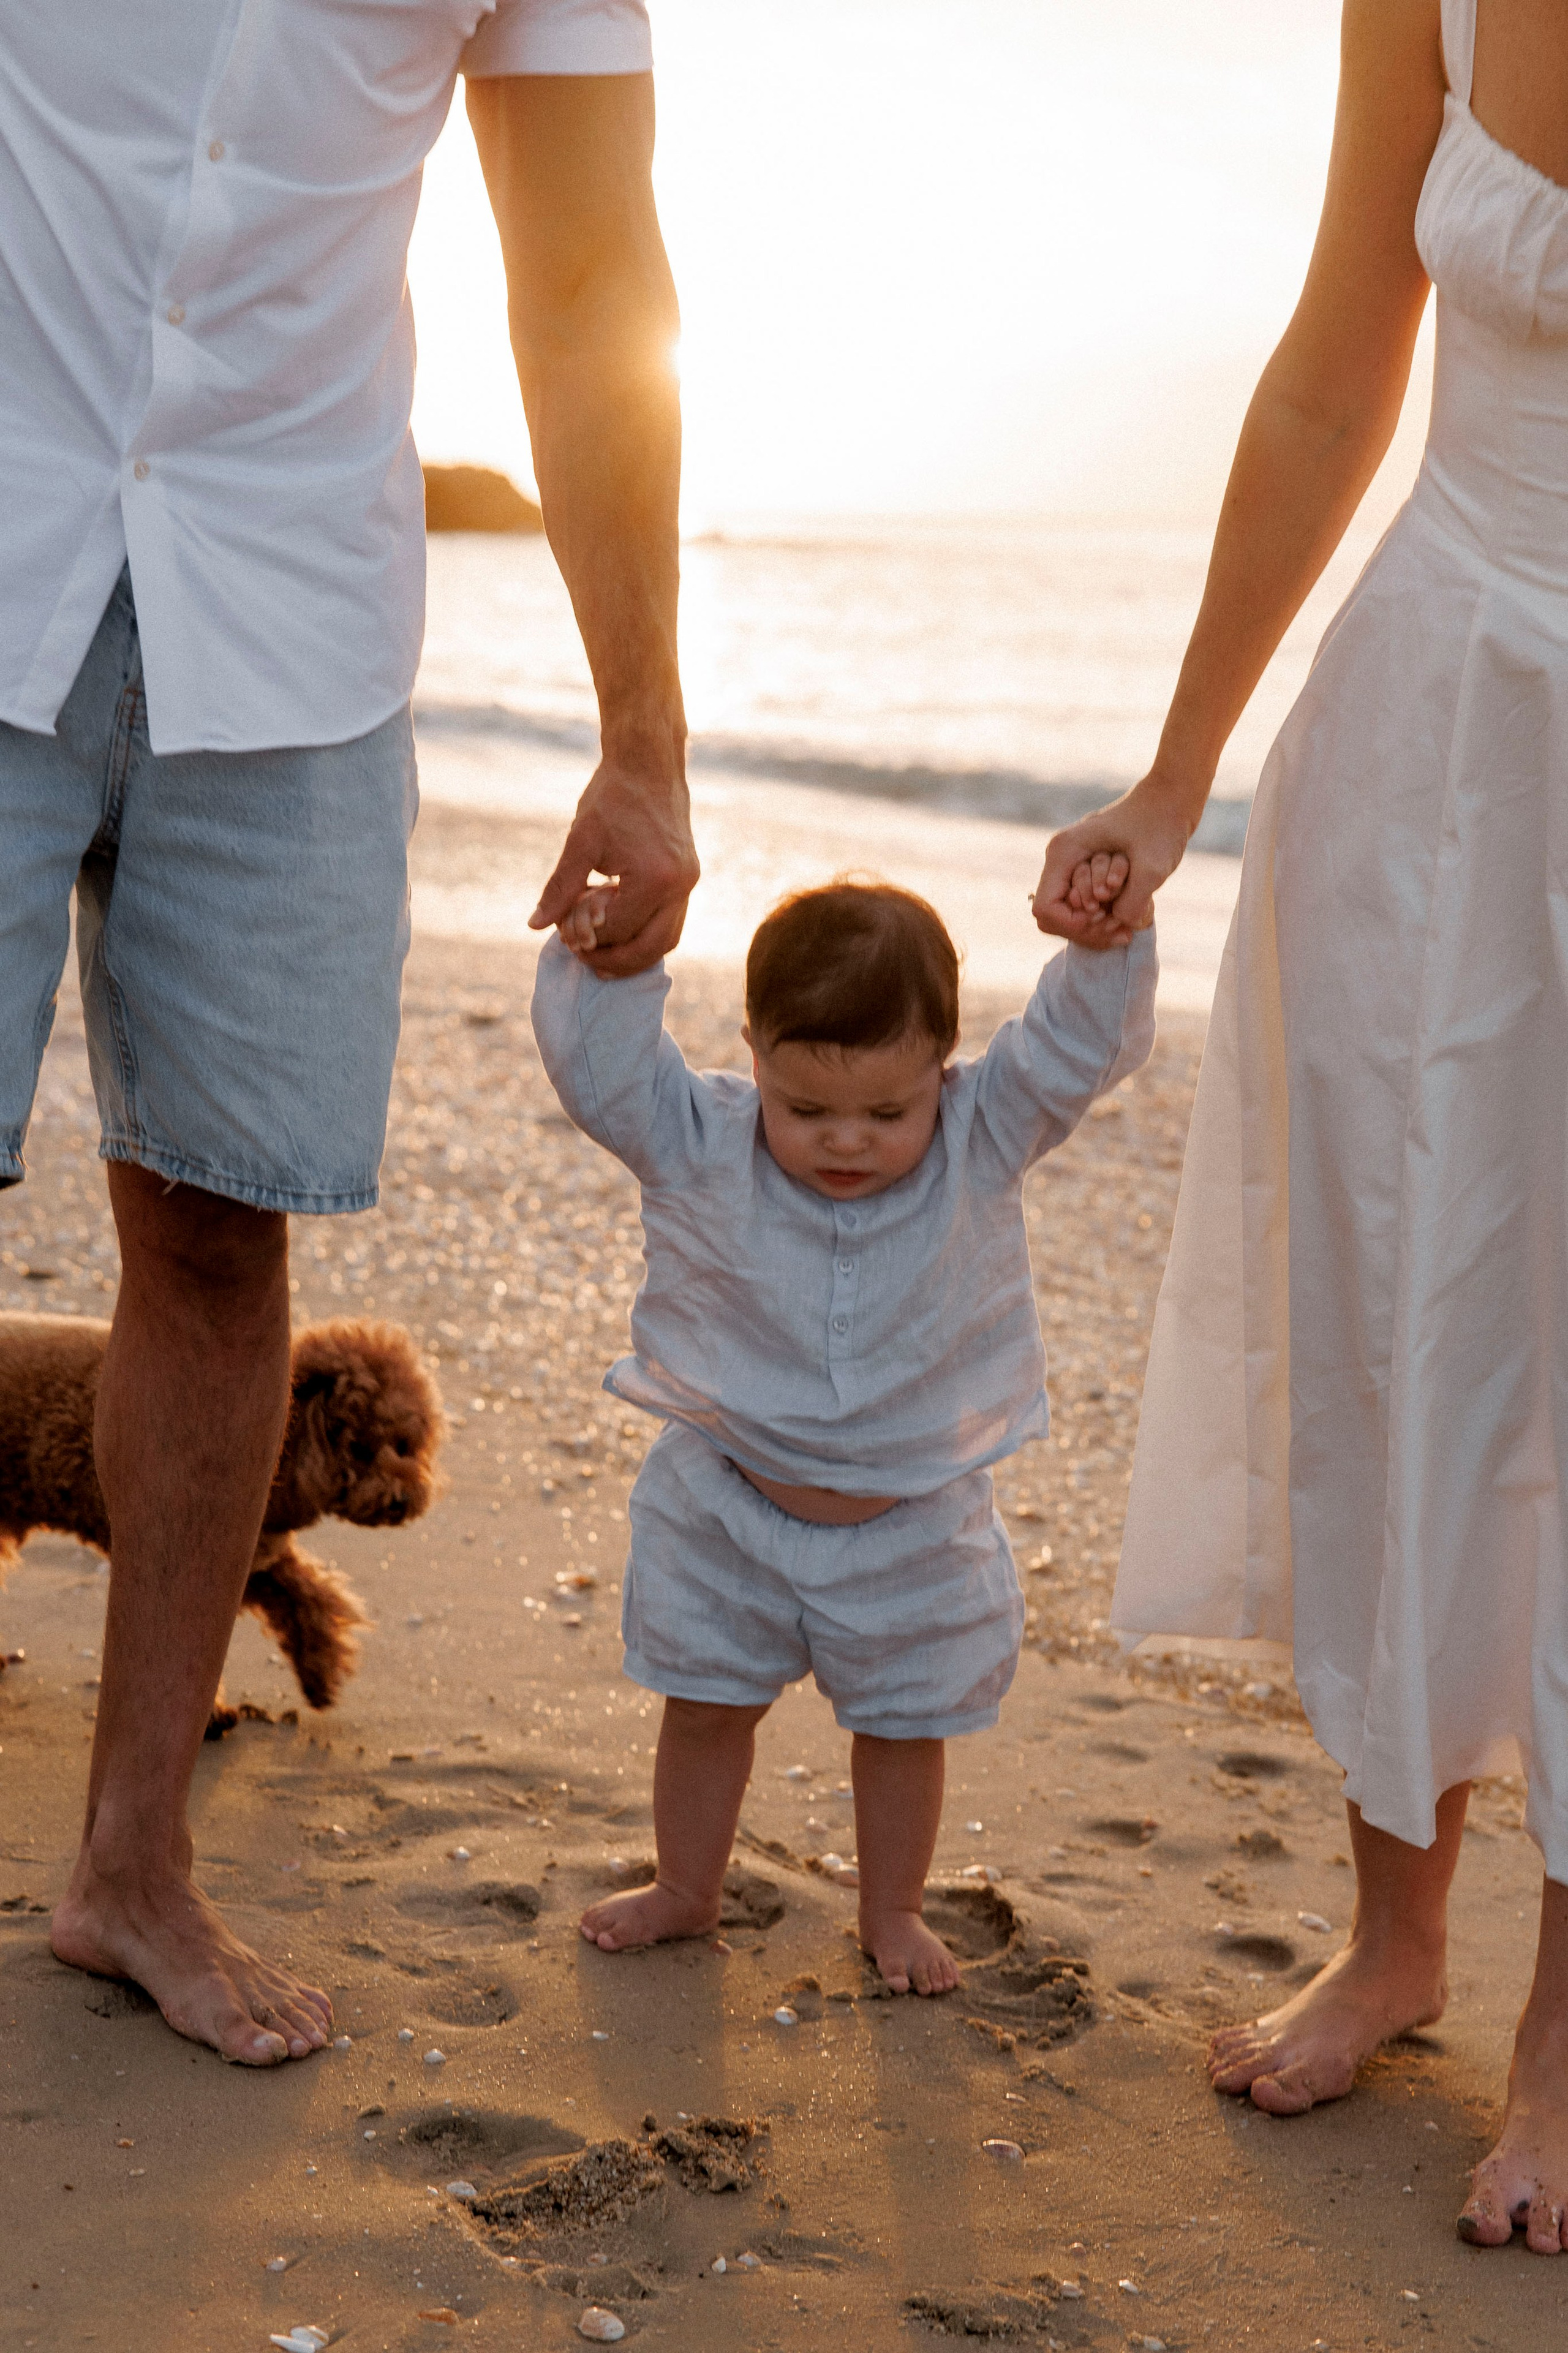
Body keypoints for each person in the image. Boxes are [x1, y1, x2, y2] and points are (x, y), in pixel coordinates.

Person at [0, 0, 698, 2065]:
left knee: (224, 1238)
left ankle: (132, 1867)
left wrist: (645, 735)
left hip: (291, 627)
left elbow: (590, 273)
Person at [1033, 0, 1568, 2255]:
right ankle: (1400, 1925)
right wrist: (1176, 770)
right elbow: (1342, 352)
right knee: (1393, 1313)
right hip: (1437, 721)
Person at [530, 878, 1155, 1991]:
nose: (848, 1141)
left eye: (887, 1112)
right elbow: (606, 1074)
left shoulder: (983, 1133)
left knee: (905, 1726)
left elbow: (1076, 1049)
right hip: (726, 1503)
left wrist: (1105, 947)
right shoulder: (703, 1141)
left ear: (946, 1068)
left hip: (913, 1521)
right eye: (807, 1109)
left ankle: (893, 1909)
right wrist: (612, 963)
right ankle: (687, 1885)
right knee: (708, 1702)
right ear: (756, 1053)